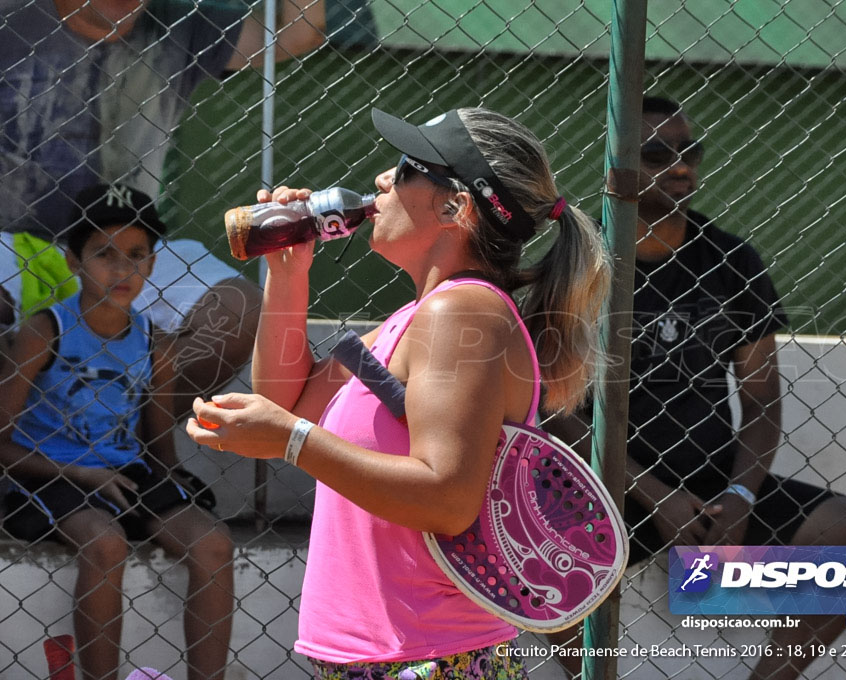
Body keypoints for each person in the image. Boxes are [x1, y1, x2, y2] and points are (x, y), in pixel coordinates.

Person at [186, 106, 611, 678]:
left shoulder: (463, 313)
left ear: (454, 207)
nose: (382, 179)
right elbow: (287, 400)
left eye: (407, 168)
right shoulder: (416, 318)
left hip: (430, 658)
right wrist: (289, 273)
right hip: (390, 655)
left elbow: (446, 499)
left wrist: (290, 442)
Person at [544, 96, 846, 680]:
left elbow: (760, 398)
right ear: (618, 164)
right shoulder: (582, 261)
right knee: (539, 563)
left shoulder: (729, 259)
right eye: (659, 152)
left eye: (690, 150)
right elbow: (555, 406)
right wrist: (655, 495)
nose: (681, 164)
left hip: (710, 481)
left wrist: (741, 497)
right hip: (605, 483)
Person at [0, 0, 337, 418]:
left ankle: (120, 440)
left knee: (236, 309)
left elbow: (299, 33)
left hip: (131, 251)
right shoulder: (11, 19)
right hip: (15, 248)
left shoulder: (178, 23)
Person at [0, 184, 235, 680]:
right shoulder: (46, 330)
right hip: (48, 475)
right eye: (103, 254)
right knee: (105, 545)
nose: (121, 269)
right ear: (73, 261)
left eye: (135, 255)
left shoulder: (155, 342)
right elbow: (2, 444)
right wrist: (81, 473)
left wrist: (173, 490)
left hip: (124, 474)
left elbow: (158, 447)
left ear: (151, 264)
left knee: (212, 544)